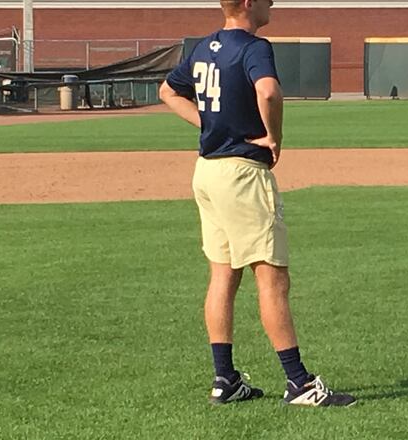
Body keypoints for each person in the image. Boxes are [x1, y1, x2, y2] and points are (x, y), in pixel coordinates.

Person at [159, 0, 355, 407]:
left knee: (223, 276)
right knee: (272, 279)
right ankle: (299, 383)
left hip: (207, 170)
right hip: (242, 174)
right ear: (248, 3)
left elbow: (167, 91)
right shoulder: (253, 47)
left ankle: (225, 378)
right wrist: (274, 136)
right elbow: (267, 90)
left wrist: (210, 123)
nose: (272, 3)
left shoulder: (202, 46)